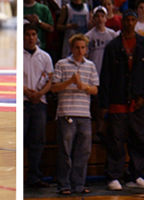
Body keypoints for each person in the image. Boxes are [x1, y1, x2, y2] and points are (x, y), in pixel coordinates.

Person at [99, 13, 144, 191]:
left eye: (132, 20)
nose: (130, 23)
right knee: (116, 140)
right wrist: (104, 104)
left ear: (136, 23)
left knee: (140, 139)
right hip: (117, 100)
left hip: (138, 101)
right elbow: (106, 76)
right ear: (122, 23)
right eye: (127, 20)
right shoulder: (112, 46)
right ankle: (114, 176)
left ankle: (136, 175)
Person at [51, 34, 99, 195]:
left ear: (86, 49)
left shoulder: (90, 66)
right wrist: (70, 81)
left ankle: (79, 184)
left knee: (83, 152)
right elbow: (54, 87)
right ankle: (64, 184)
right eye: (77, 47)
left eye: (82, 47)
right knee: (65, 151)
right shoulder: (62, 64)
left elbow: (95, 89)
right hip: (66, 112)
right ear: (71, 48)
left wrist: (82, 85)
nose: (80, 50)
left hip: (84, 113)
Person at [23, 23, 53, 188]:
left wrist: (40, 93)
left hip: (39, 102)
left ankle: (34, 176)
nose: (31, 37)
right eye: (28, 34)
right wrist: (26, 91)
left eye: (34, 34)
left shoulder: (45, 57)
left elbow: (50, 79)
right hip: (23, 101)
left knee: (38, 142)